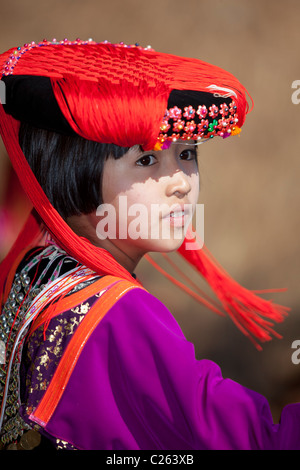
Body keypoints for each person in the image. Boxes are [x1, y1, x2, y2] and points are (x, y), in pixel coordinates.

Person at [0, 38, 298, 451]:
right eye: (146, 160)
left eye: (188, 153)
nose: (181, 182)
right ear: (74, 170)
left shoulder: (41, 267)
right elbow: (256, 441)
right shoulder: (122, 313)